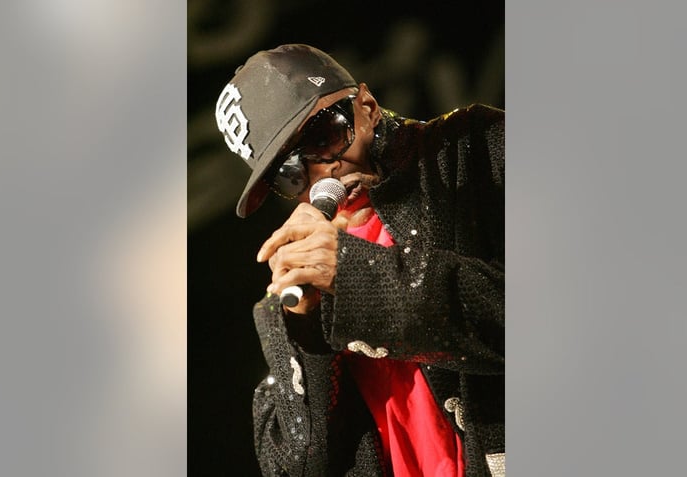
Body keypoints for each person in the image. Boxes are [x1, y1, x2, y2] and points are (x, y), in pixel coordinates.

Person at [214, 44, 504, 477]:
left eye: (323, 136)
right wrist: (306, 331)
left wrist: (354, 276)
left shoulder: (477, 150)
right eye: (290, 172)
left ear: (366, 107)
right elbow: (294, 467)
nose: (322, 172)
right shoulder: (297, 285)